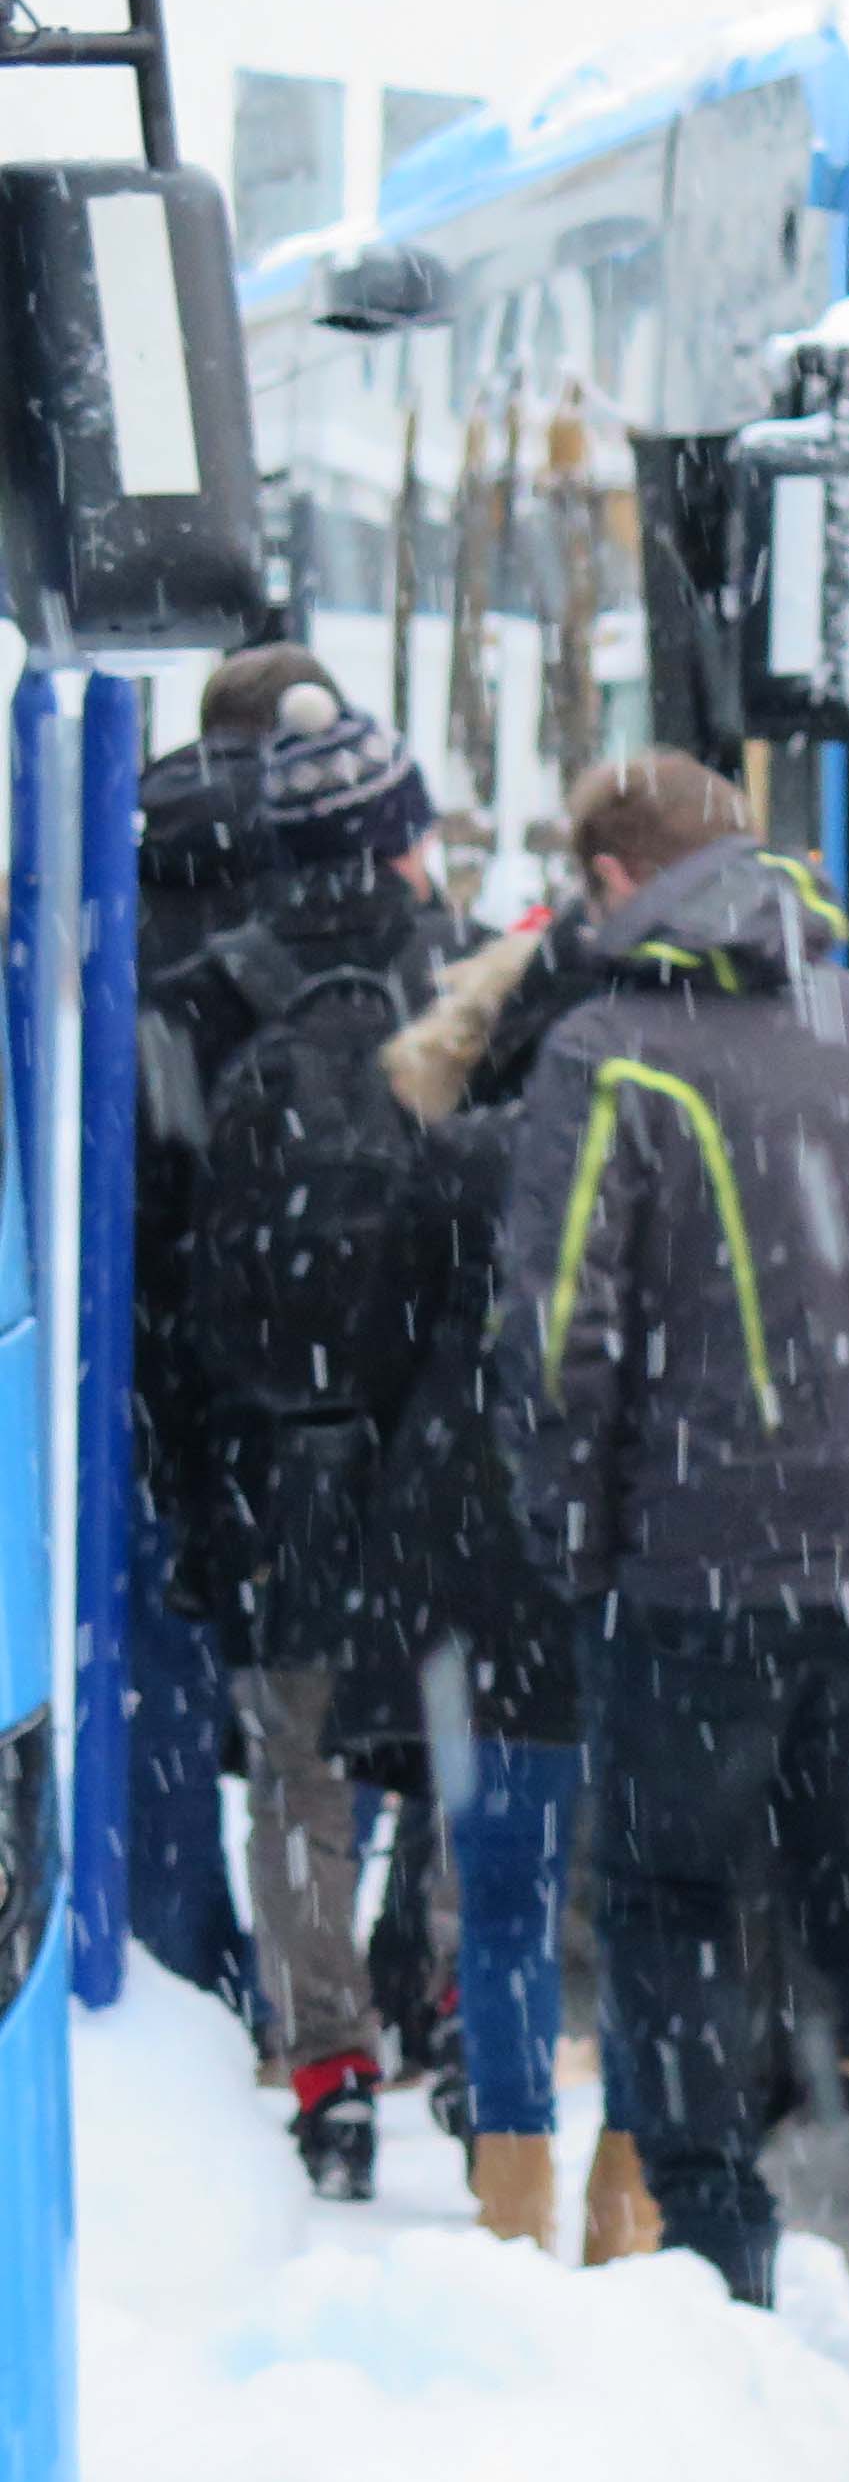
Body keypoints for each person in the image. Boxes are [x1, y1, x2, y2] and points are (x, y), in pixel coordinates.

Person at [496, 752, 849, 2380]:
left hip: (690, 1575)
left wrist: (574, 1539)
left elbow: (561, 1338)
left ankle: (718, 2272)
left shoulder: (608, 1059)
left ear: (613, 884)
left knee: (675, 1910)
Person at [366, 759, 700, 2257]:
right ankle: (626, 2203)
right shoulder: (684, 1133)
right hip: (640, 1547)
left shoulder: (457, 1160)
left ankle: (512, 2202)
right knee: (640, 1896)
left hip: (483, 1558)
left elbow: (377, 1360)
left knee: (500, 1898)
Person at [146, 698, 455, 2194]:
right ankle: (457, 2005)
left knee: (297, 1767)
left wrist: (190, 1479)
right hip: (428, 1444)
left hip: (273, 1449)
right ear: (394, 838)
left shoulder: (205, 1004)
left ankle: (327, 2064)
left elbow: (163, 1267)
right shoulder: (461, 983)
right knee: (458, 1742)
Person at [124, 645, 342, 2025]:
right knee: (307, 1680)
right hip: (306, 1321)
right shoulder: (324, 855)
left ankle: (176, 1968)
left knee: (158, 1649)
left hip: (138, 1310)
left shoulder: (119, 842)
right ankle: (307, 1983)